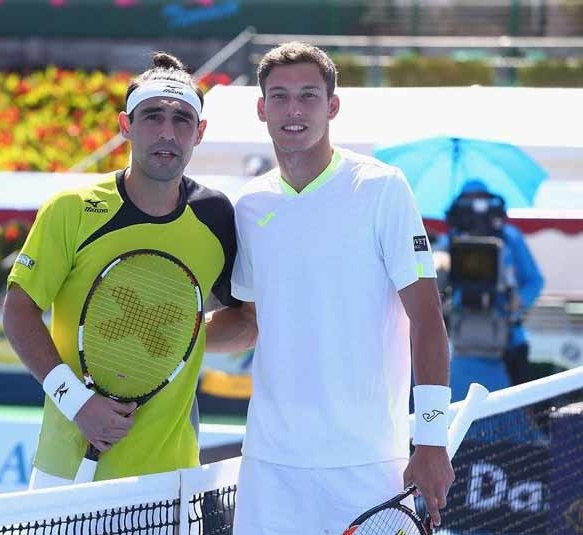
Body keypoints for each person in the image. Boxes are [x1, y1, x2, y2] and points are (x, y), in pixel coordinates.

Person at [205, 42, 454, 533]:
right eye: (279, 97)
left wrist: (431, 439)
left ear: (332, 106)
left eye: (308, 96)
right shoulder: (250, 205)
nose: (293, 110)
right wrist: (176, 336)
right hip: (270, 468)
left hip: (368, 465)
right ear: (262, 109)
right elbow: (250, 323)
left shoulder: (383, 188)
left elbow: (427, 319)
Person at [2, 52, 239, 488]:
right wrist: (77, 403)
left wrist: (168, 335)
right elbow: (18, 311)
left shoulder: (217, 216)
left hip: (173, 476)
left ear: (200, 132)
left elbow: (247, 321)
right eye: (152, 117)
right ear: (125, 125)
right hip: (65, 470)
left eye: (182, 120)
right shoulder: (71, 208)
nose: (167, 133)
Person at [438, 180, 545, 401]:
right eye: (470, 199)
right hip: (462, 338)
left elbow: (535, 280)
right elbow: (431, 276)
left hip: (508, 342)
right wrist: (439, 263)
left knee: (513, 407)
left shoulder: (510, 238)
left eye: (481, 198)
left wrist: (519, 300)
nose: (476, 205)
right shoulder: (449, 241)